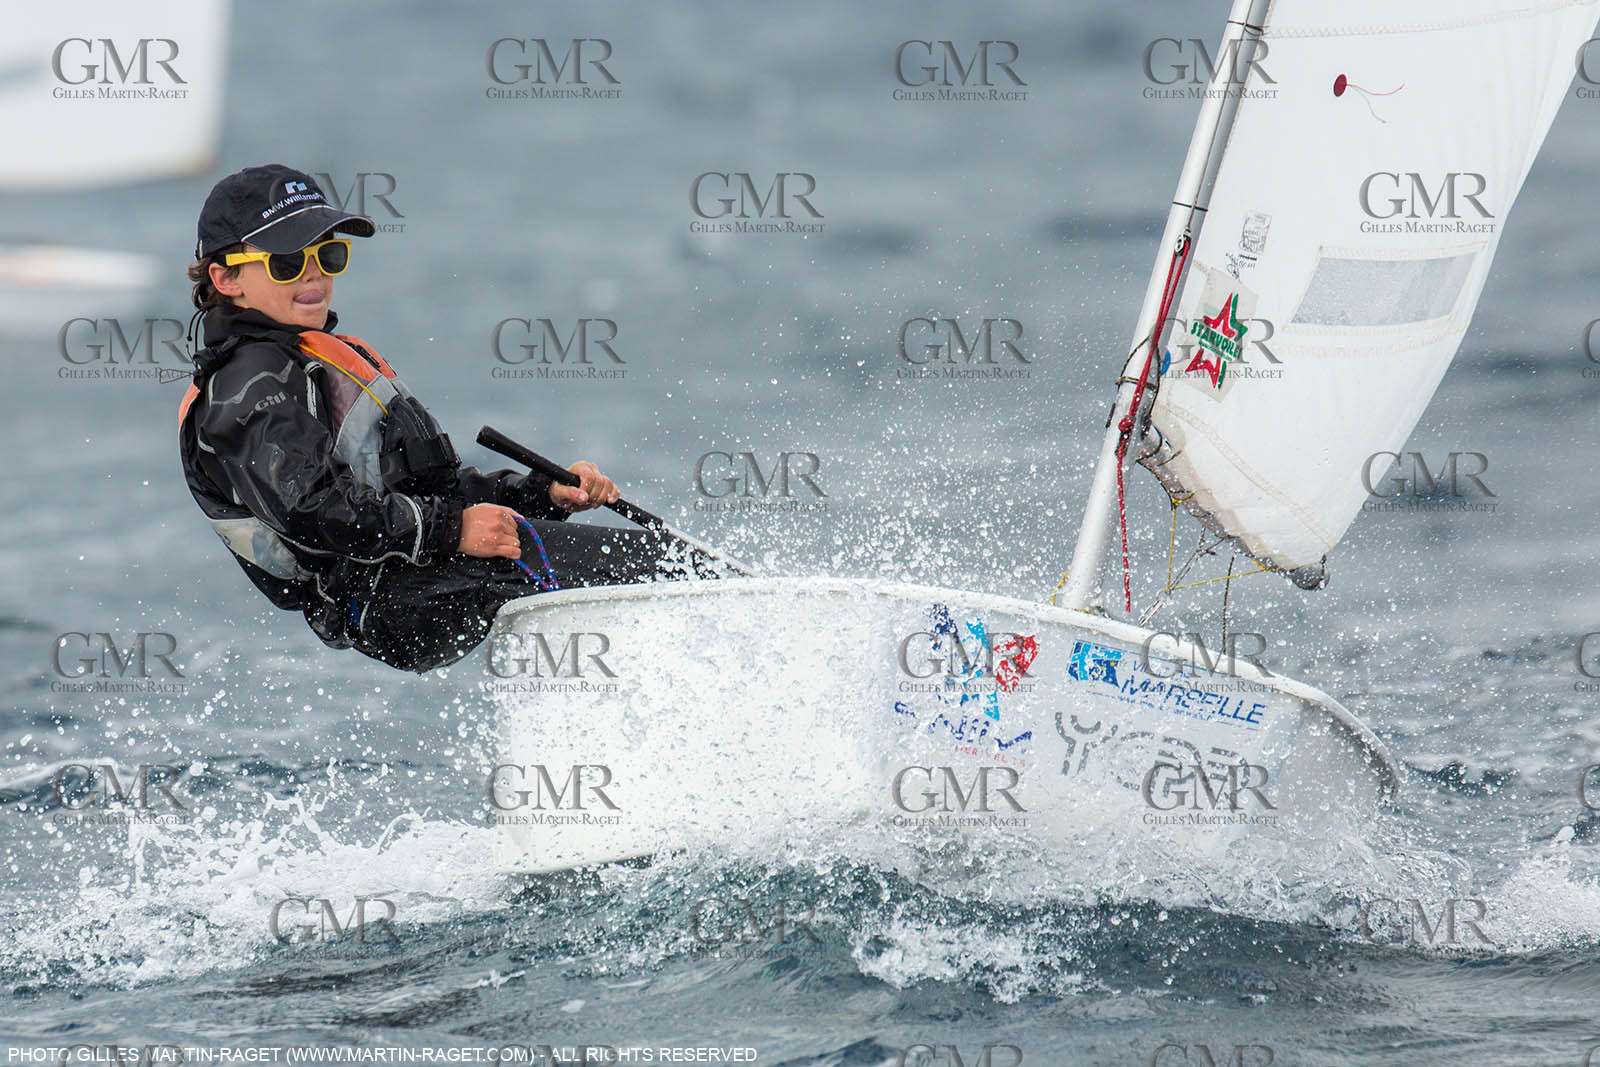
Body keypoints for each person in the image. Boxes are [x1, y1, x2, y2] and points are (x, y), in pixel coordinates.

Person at [177, 164, 687, 672]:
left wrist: (540, 493)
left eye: (328, 255)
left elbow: (435, 492)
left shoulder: (306, 363)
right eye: (287, 261)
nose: (314, 273)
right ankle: (710, 598)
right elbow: (310, 510)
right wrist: (451, 532)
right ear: (226, 279)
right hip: (382, 600)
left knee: (630, 566)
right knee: (655, 567)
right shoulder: (246, 387)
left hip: (414, 572)